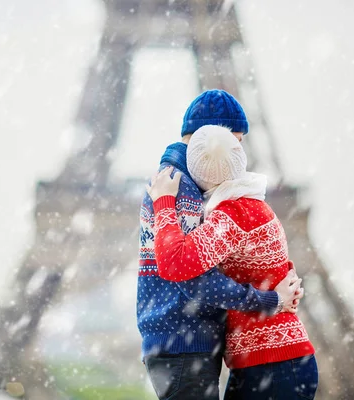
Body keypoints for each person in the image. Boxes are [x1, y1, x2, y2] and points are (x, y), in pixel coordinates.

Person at [137, 89, 303, 400]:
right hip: (184, 342)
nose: (237, 156)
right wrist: (269, 301)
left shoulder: (175, 182)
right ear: (213, 138)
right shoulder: (181, 187)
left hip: (178, 340)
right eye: (236, 143)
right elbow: (193, 278)